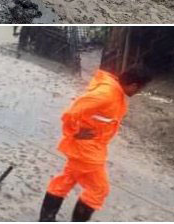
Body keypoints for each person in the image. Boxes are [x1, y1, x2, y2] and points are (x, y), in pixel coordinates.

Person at [39, 66, 152, 222]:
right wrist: (73, 132)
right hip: (87, 150)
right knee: (99, 189)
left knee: (66, 179)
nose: (137, 93)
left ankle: (46, 218)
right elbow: (72, 111)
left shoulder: (115, 91)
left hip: (91, 147)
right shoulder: (106, 94)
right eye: (140, 89)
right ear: (133, 85)